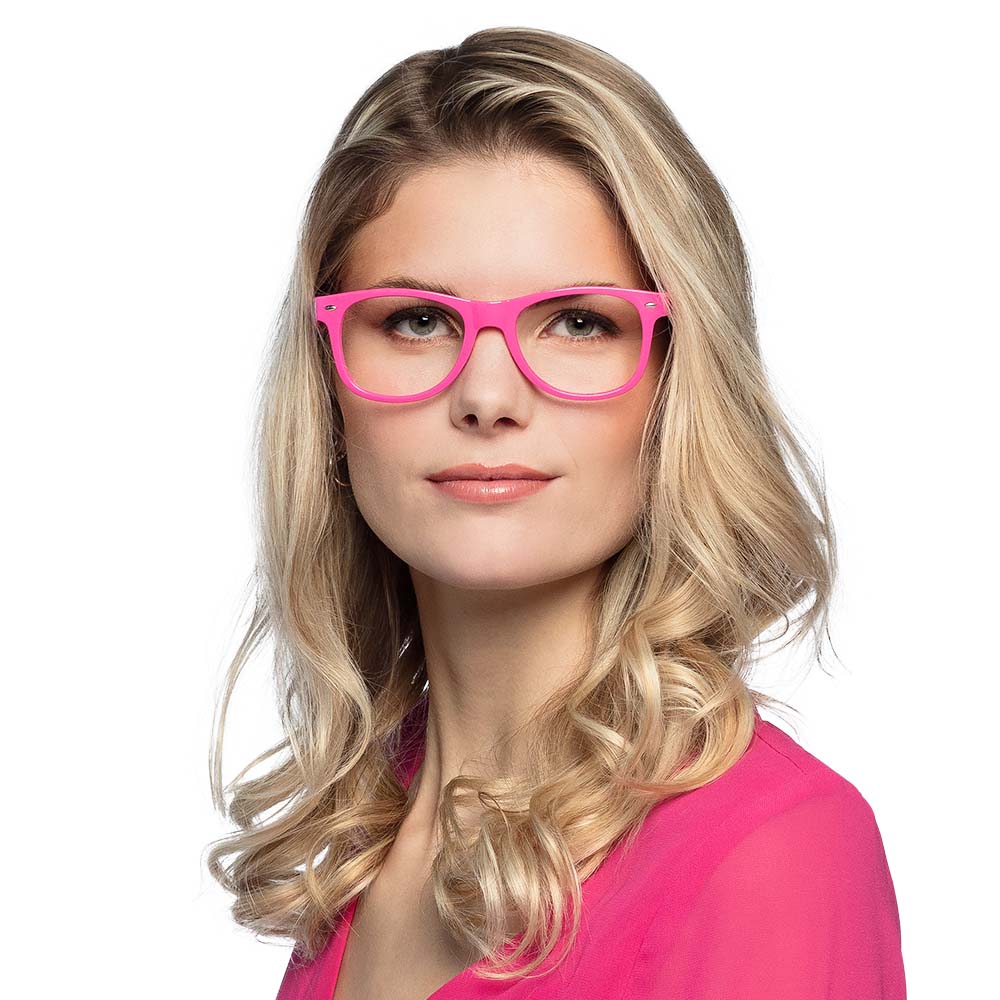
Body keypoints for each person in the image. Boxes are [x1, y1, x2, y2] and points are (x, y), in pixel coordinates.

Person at [205, 26, 906, 1000]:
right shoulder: (363, 839)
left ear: (676, 385)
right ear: (326, 384)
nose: (487, 396)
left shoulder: (771, 852)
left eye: (577, 321)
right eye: (417, 321)